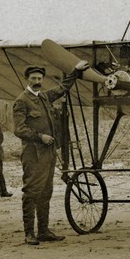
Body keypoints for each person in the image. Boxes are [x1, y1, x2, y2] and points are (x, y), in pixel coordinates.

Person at [13, 64, 81, 245]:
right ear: (27, 79)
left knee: (46, 192)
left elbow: (62, 88)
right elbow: (19, 129)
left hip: (49, 153)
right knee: (32, 192)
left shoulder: (44, 97)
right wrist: (39, 137)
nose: (37, 82)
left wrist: (76, 71)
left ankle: (43, 231)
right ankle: (29, 233)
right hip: (33, 154)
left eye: (39, 79)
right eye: (33, 79)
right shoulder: (21, 101)